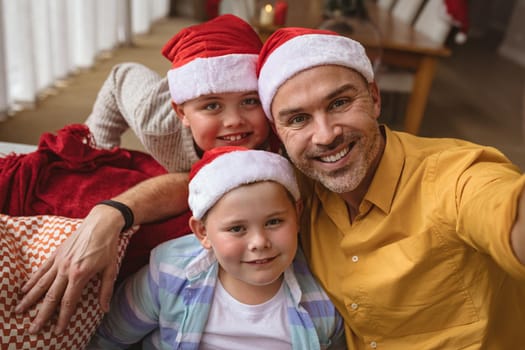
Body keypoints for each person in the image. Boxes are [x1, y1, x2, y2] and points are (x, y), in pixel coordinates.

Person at [255, 27, 525, 348]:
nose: (325, 136)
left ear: (375, 97)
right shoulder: (299, 189)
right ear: (279, 132)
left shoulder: (451, 177)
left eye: (340, 102)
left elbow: (499, 206)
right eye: (298, 119)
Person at [15, 14, 275, 335]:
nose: (235, 121)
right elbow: (119, 77)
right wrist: (97, 157)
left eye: (250, 100)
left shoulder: (277, 133)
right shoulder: (157, 116)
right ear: (181, 112)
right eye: (211, 106)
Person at [87, 146, 346, 349]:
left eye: (274, 221)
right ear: (202, 232)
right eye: (237, 229)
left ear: (297, 215)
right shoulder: (169, 274)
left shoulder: (321, 298)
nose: (259, 242)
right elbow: (109, 338)